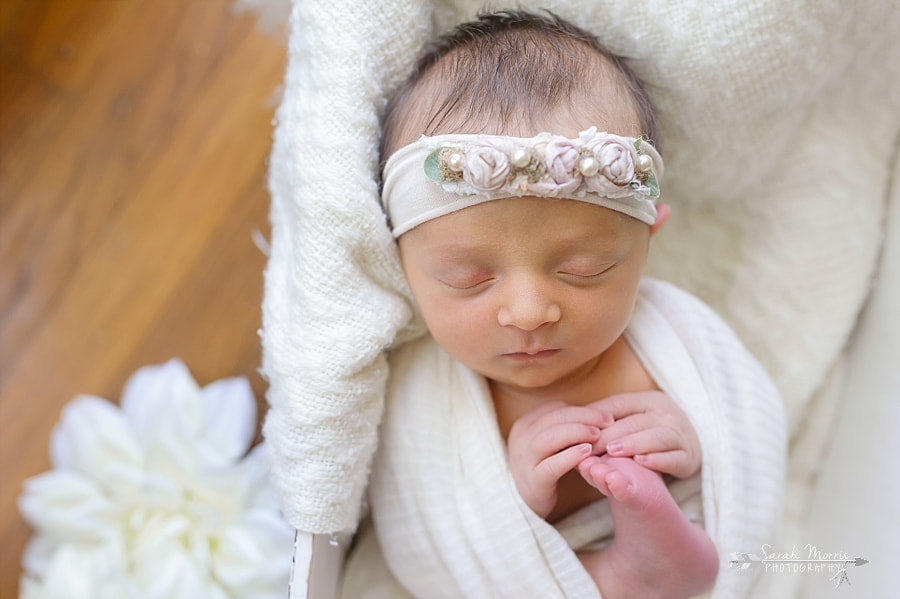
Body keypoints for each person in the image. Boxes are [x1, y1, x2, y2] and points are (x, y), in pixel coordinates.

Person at [370, 10, 724, 599]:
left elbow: (746, 430)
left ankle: (659, 559)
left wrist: (692, 445)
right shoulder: (426, 398)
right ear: (401, 264)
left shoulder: (674, 345)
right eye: (468, 278)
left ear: (647, 245)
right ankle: (622, 578)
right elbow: (425, 529)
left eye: (585, 270)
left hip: (685, 542)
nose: (530, 312)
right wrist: (517, 498)